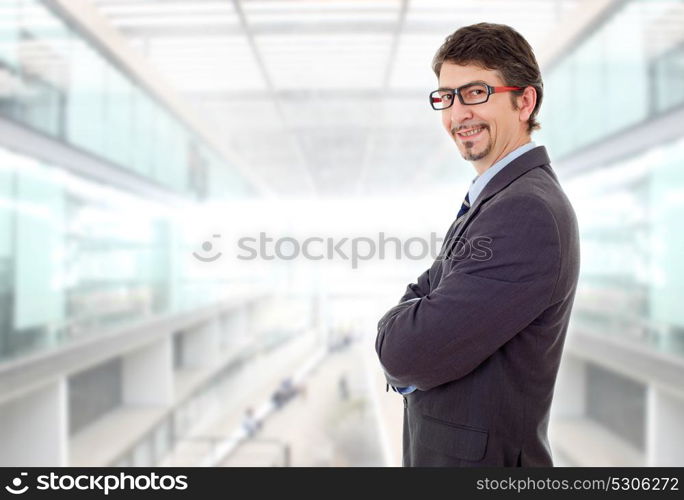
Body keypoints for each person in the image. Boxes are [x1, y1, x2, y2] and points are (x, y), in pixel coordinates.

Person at [375, 23, 580, 467]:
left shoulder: (525, 212)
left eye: (475, 93)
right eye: (446, 97)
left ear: (524, 101)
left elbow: (404, 350)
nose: (456, 113)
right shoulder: (496, 198)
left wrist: (403, 328)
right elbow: (429, 292)